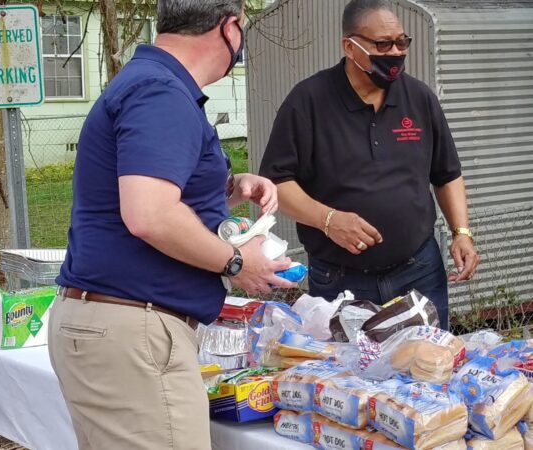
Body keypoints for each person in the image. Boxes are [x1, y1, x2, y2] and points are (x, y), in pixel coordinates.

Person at [49, 1, 296, 448]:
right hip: (134, 328)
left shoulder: (149, 82)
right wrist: (239, 262)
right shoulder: (161, 92)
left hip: (118, 323)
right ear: (230, 27)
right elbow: (149, 214)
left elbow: (149, 187)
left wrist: (228, 187)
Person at [259, 0, 479, 329]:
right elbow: (275, 183)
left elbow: (447, 174)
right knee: (347, 377)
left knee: (429, 371)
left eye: (401, 42)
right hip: (340, 280)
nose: (395, 52)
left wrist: (462, 233)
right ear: (350, 46)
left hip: (419, 270)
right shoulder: (308, 101)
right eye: (382, 44)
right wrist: (329, 220)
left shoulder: (419, 98)